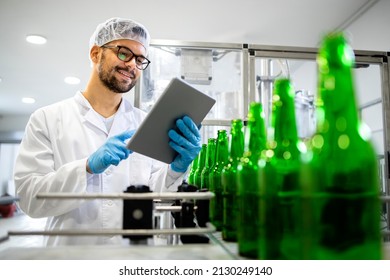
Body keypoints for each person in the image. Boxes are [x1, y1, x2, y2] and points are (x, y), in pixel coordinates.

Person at [13, 17, 202, 246]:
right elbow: (29, 200)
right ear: (95, 54)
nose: (132, 64)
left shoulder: (145, 123)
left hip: (133, 259)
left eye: (140, 59)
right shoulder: (47, 119)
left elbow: (156, 196)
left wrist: (176, 168)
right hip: (71, 259)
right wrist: (86, 167)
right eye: (124, 53)